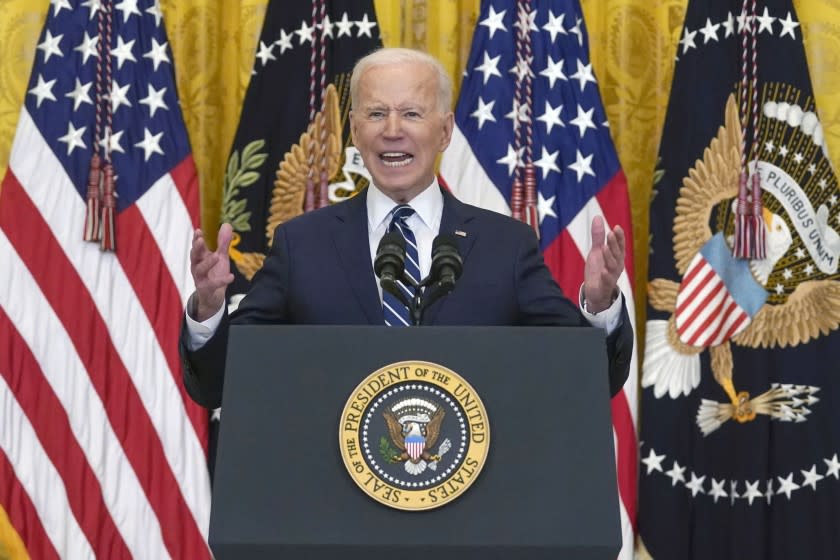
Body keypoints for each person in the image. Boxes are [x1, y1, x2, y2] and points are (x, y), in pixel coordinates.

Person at [181, 48, 633, 409]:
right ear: (354, 131)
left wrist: (599, 303)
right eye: (376, 114)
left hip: (469, 510)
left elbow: (588, 380)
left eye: (412, 114)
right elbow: (218, 384)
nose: (392, 130)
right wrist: (208, 309)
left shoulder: (505, 246)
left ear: (445, 131)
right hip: (336, 512)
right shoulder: (302, 244)